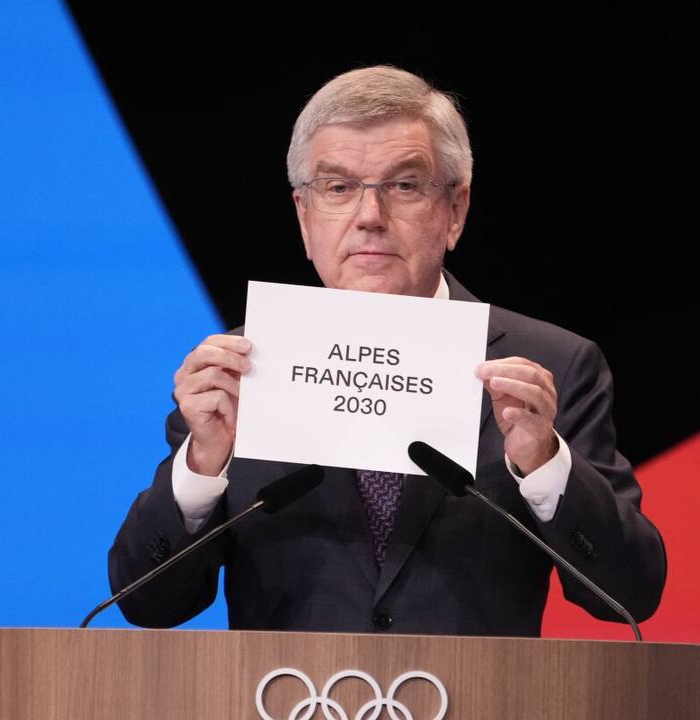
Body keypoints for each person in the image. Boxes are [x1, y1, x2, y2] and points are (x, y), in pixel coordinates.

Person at [108, 65, 665, 636]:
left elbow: (632, 591)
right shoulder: (238, 373)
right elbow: (147, 604)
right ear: (304, 217)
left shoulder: (552, 367)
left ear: (456, 210)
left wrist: (544, 462)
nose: (370, 217)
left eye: (404, 186)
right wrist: (204, 464)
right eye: (338, 188)